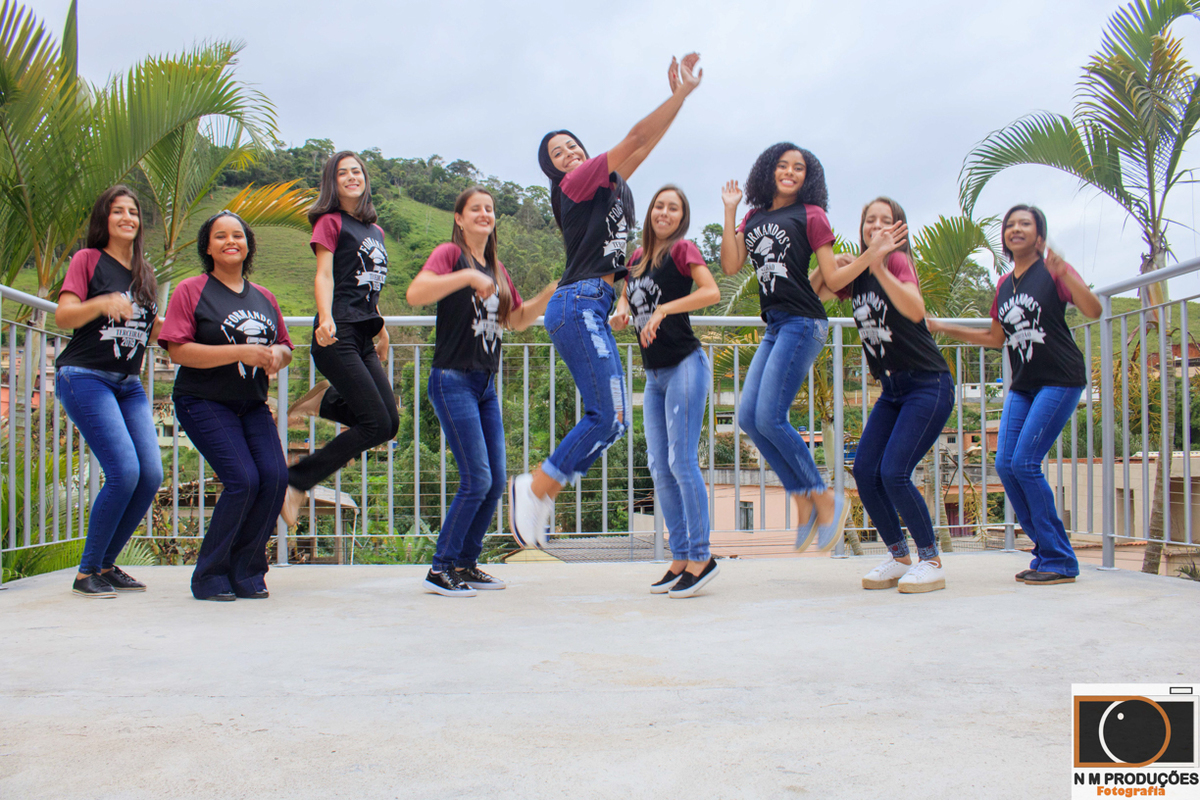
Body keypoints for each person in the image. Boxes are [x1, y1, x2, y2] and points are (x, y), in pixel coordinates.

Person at [509, 53, 703, 547]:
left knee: (613, 420)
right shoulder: (575, 185)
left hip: (592, 304)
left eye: (572, 145)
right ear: (554, 170)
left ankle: (540, 487)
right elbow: (636, 138)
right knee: (610, 415)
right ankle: (536, 488)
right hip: (576, 304)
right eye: (557, 153)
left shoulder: (613, 186)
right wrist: (678, 94)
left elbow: (647, 145)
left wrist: (682, 101)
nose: (568, 153)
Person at [927, 205, 1101, 585]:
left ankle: (1060, 559)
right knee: (1005, 464)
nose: (1016, 229)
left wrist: (1066, 273)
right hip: (1023, 385)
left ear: (1039, 235)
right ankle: (1045, 553)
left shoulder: (1054, 272)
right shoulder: (1005, 284)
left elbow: (1093, 309)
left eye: (1026, 224)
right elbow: (994, 338)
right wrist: (941, 326)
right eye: (1010, 225)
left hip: (1060, 379)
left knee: (1024, 463)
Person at [406, 188, 556, 596]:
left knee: (493, 482)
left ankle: (467, 563)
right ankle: (441, 568)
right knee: (476, 479)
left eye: (490, 209)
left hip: (485, 384)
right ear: (459, 218)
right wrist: (469, 277)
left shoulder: (498, 268)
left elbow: (517, 320)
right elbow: (416, 293)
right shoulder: (449, 255)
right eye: (476, 209)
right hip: (452, 378)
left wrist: (545, 296)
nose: (484, 214)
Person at [810, 197, 954, 593]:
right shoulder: (859, 271)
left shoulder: (897, 264)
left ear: (897, 229)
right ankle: (898, 554)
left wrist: (878, 263)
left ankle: (930, 558)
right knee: (867, 471)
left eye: (884, 221)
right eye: (868, 221)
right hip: (892, 391)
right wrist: (834, 262)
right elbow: (813, 294)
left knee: (894, 472)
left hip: (928, 383)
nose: (875, 226)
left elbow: (914, 308)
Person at [719, 143, 848, 553]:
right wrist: (730, 210)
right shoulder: (754, 217)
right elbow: (730, 265)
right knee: (749, 418)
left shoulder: (813, 215)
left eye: (799, 168)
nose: (790, 172)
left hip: (803, 323)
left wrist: (867, 258)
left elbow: (830, 276)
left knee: (771, 418)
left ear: (807, 177)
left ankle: (823, 498)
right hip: (775, 325)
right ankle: (803, 499)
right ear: (769, 171)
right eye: (783, 165)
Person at [159, 212, 293, 600]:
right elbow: (178, 350)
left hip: (250, 403)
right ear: (208, 246)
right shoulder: (192, 289)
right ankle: (209, 575)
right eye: (220, 236)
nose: (230, 241)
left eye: (238, 235)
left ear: (248, 245)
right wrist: (242, 351)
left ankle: (247, 569)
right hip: (203, 400)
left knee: (275, 478)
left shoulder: (264, 296)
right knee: (243, 480)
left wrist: (276, 356)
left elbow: (284, 346)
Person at [610, 185, 721, 597]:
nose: (664, 212)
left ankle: (702, 556)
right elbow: (628, 295)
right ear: (650, 212)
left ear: (681, 217)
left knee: (681, 460)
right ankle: (681, 557)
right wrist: (623, 311)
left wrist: (664, 308)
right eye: (659, 205)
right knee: (659, 465)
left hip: (685, 366)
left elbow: (711, 292)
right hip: (653, 375)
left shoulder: (683, 250)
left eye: (673, 208)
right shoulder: (637, 259)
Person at [55, 186, 163, 598]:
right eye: (117, 211)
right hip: (85, 375)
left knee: (150, 474)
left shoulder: (144, 273)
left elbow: (153, 328)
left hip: (128, 383)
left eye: (133, 212)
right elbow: (65, 315)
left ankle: (105, 564)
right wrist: (101, 303)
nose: (127, 218)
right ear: (105, 219)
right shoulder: (88, 260)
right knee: (124, 471)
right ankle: (86, 573)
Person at [281, 151, 399, 525]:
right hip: (337, 334)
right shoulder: (330, 223)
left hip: (363, 334)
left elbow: (367, 288)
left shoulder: (375, 231)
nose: (352, 177)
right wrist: (326, 317)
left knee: (389, 423)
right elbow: (326, 276)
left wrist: (381, 330)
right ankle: (296, 481)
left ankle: (326, 401)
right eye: (343, 173)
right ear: (332, 182)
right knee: (374, 423)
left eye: (357, 171)